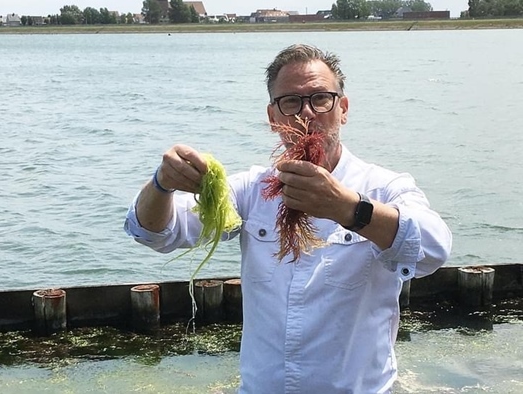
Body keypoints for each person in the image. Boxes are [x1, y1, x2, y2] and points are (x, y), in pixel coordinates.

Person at [125, 44, 452, 393]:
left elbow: (433, 248)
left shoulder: (384, 187)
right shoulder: (252, 190)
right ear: (273, 117)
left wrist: (348, 208)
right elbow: (155, 233)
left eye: (321, 98)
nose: (306, 114)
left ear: (343, 108)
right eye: (291, 102)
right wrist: (162, 184)